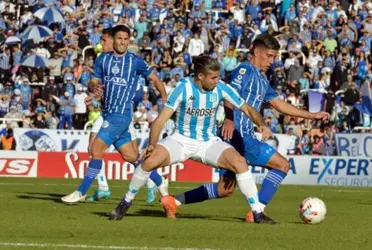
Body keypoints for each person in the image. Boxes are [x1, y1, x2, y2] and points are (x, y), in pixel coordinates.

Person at [168, 34, 330, 224]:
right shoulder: (244, 70)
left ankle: (174, 201)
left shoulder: (262, 79)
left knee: (224, 190)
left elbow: (278, 104)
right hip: (239, 136)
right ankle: (257, 211)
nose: (272, 60)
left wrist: (312, 115)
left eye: (274, 56)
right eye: (269, 55)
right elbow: (229, 93)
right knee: (282, 165)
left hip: (243, 137)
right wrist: (229, 119)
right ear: (256, 51)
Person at [108, 55, 276, 224]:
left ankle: (258, 213)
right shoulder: (183, 87)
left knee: (240, 163)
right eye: (213, 77)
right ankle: (126, 202)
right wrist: (152, 144)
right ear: (200, 76)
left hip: (208, 142)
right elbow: (160, 121)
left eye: (218, 77)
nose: (217, 81)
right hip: (180, 140)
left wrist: (261, 124)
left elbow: (246, 108)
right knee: (149, 161)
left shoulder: (221, 87)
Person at [61, 25, 168, 204]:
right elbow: (94, 81)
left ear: (129, 41)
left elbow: (155, 80)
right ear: (114, 39)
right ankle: (159, 180)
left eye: (126, 39)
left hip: (121, 115)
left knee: (96, 150)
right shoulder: (103, 59)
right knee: (131, 157)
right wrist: (92, 89)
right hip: (108, 112)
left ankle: (81, 192)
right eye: (119, 38)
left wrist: (165, 99)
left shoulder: (135, 61)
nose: (122, 42)